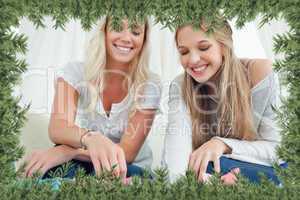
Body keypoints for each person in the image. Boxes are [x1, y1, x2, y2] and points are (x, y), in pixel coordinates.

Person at [24, 17, 161, 182]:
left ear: (144, 39)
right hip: (83, 164)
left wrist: (68, 152)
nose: (126, 38)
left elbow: (126, 153)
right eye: (117, 27)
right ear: (103, 30)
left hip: (129, 168)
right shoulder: (74, 73)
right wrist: (90, 138)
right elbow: (59, 127)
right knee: (46, 172)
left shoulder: (150, 84)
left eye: (136, 32)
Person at [162, 19, 286, 184]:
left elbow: (279, 150)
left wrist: (223, 144)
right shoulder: (180, 84)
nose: (192, 60)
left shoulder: (261, 73)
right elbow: (176, 152)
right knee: (201, 168)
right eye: (184, 52)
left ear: (224, 46)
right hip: (223, 169)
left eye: (203, 47)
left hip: (271, 166)